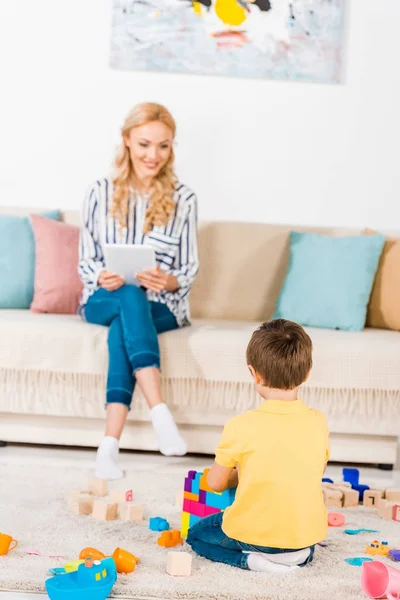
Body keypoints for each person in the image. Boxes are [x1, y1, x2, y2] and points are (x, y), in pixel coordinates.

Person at [78, 103, 199, 480]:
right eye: (145, 144)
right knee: (129, 295)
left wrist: (167, 280)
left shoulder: (184, 198)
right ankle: (160, 410)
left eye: (163, 146)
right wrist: (103, 276)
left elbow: (189, 270)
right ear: (127, 141)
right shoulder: (100, 191)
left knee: (126, 323)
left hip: (162, 305)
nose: (153, 155)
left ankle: (107, 448)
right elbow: (86, 262)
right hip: (104, 298)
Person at [187, 319, 329, 572]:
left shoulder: (241, 425)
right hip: (304, 538)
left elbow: (216, 483)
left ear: (254, 373)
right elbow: (312, 470)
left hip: (252, 533)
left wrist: (241, 474)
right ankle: (296, 557)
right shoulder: (319, 422)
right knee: (297, 541)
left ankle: (252, 561)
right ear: (307, 373)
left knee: (196, 535)